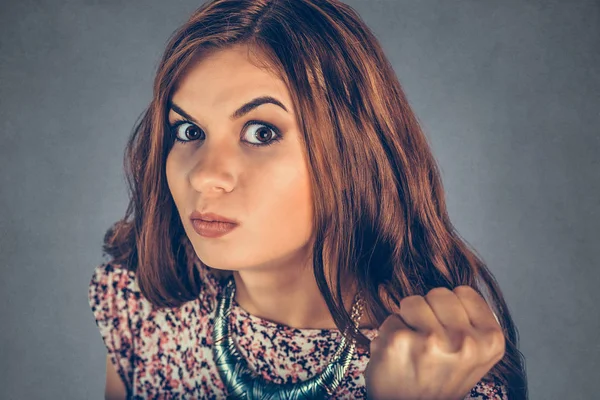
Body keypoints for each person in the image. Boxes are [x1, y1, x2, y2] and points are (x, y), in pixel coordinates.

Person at [88, 0, 528, 398]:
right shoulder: (140, 305)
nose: (205, 175)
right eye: (189, 131)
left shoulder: (445, 376)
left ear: (353, 152)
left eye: (261, 133)